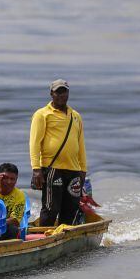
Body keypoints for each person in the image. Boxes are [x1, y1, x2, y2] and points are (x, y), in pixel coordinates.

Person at [29, 79, 87, 227]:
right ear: (51, 93)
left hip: (74, 170)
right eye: (58, 92)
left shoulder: (76, 116)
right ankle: (43, 238)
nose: (61, 95)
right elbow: (35, 143)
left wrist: (83, 170)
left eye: (64, 91)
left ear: (68, 93)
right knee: (51, 208)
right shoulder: (42, 114)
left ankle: (65, 238)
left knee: (71, 208)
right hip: (52, 168)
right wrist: (36, 169)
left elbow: (80, 144)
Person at [0, 162, 27, 240]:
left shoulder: (20, 195)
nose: (9, 182)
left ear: (16, 180)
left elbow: (15, 220)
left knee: (13, 229)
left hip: (5, 227)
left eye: (12, 179)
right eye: (5, 178)